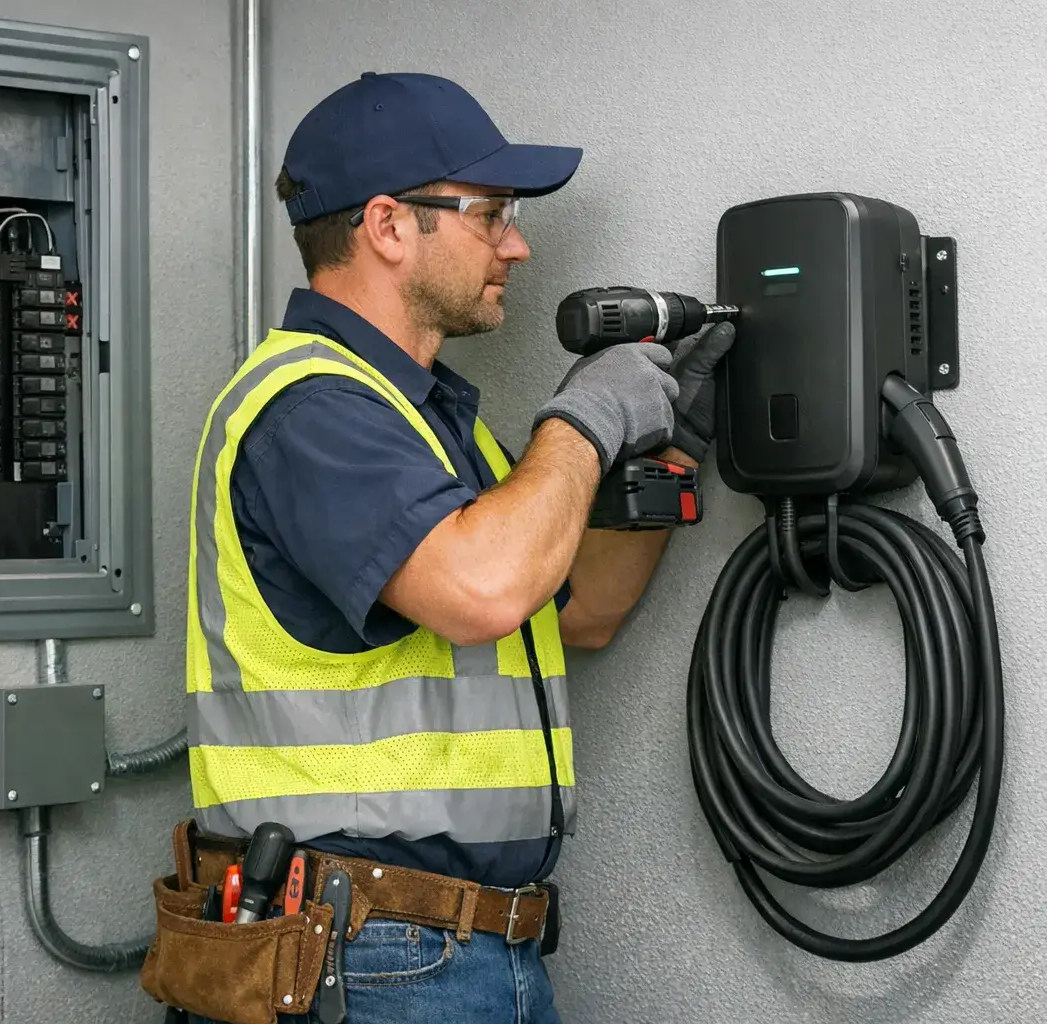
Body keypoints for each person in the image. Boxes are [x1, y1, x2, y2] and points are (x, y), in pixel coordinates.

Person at [180, 72, 733, 1022]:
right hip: (369, 956)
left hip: (465, 952)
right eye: (492, 213)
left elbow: (584, 610)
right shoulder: (310, 410)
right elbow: (482, 588)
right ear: (391, 226)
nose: (516, 243)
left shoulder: (440, 429)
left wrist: (680, 440)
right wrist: (586, 420)